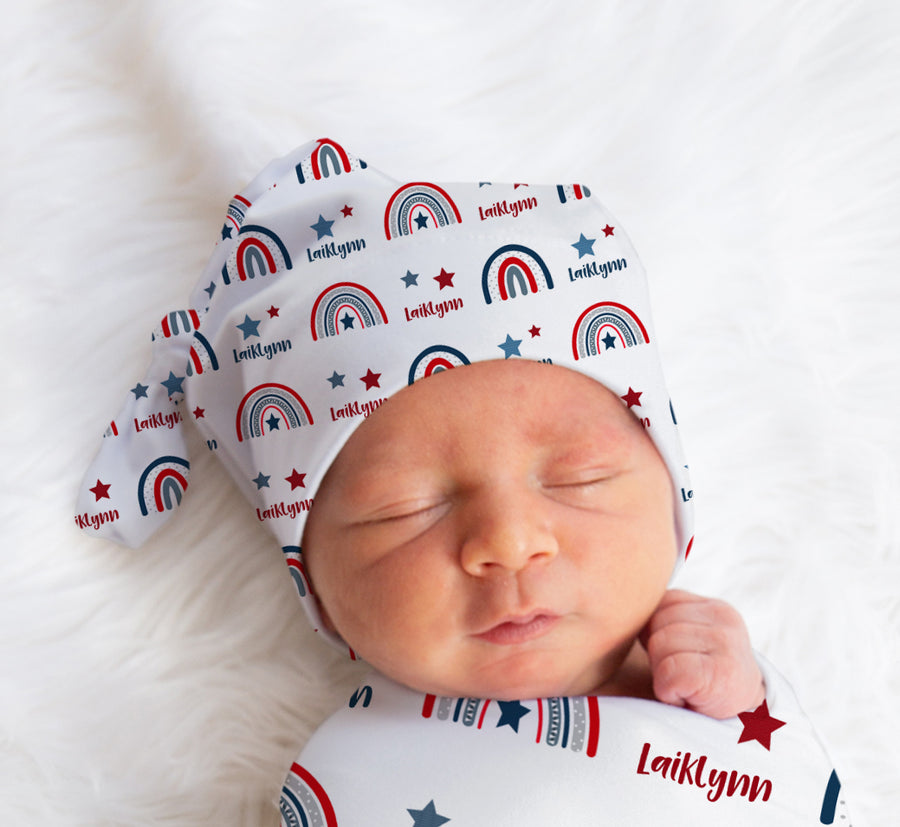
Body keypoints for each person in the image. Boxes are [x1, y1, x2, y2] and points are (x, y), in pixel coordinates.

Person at [76, 138, 849, 825]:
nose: (508, 541)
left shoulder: (723, 690)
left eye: (579, 478)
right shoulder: (356, 779)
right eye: (404, 509)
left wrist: (744, 701)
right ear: (312, 578)